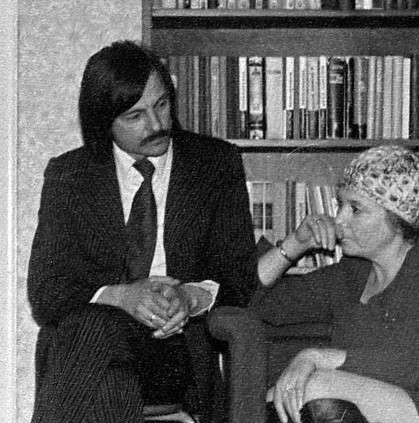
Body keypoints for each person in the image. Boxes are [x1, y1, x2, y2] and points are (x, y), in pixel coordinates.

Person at [27, 40, 258, 423]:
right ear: (104, 123)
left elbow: (240, 277)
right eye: (135, 116)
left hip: (175, 350)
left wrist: (189, 297)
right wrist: (121, 297)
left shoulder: (215, 164)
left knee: (91, 332)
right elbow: (46, 291)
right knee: (106, 370)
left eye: (162, 104)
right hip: (93, 351)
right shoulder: (71, 176)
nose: (156, 125)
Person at [253, 145, 419, 423]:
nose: (339, 219)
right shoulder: (352, 273)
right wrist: (295, 245)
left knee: (314, 387)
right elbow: (254, 303)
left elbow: (408, 366)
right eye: (340, 205)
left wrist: (313, 357)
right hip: (387, 410)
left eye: (356, 209)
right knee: (278, 397)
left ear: (397, 220)